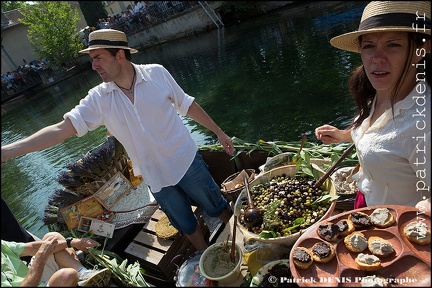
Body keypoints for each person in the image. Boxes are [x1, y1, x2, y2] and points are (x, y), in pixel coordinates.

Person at [1, 29, 234, 251]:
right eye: (92, 59)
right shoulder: (99, 99)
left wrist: (219, 132)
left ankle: (239, 238)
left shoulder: (157, 73)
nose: (94, 65)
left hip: (185, 161)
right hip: (155, 177)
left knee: (217, 205)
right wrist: (6, 152)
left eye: (98, 57)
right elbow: (61, 129)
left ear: (119, 55)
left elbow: (187, 105)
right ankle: (207, 259)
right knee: (185, 224)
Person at [315, 1, 431, 213]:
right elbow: (379, 132)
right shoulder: (379, 92)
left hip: (398, 228)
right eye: (369, 46)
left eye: (393, 45)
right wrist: (343, 135)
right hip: (367, 200)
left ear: (421, 49)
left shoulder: (424, 125)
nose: (377, 58)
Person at [1, 232, 112, 287]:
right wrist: (41, 258)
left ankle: (83, 272)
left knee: (52, 237)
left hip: (33, 278)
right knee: (66, 276)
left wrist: (72, 242)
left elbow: (33, 248)